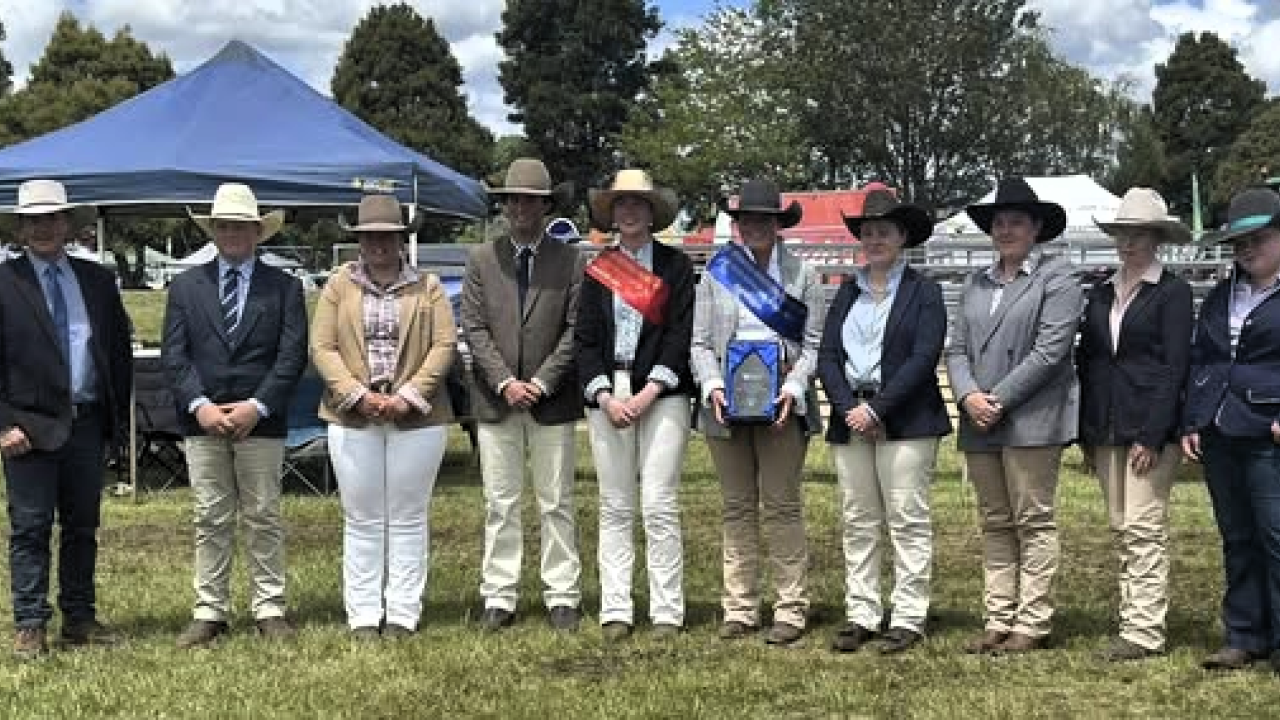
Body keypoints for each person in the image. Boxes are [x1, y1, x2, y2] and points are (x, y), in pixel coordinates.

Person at [161, 183, 308, 648]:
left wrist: (257, 405)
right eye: (223, 226)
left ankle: (269, 608)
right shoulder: (186, 286)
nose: (232, 234)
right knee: (210, 516)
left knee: (263, 513)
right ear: (214, 230)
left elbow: (292, 355)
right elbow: (174, 354)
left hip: (260, 422)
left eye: (241, 227)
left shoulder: (285, 288)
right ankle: (210, 610)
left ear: (257, 232)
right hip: (201, 422)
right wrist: (199, 406)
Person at [944, 177, 1082, 654]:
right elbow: (957, 349)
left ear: (1036, 228)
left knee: (1033, 520)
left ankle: (1033, 620)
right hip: (979, 417)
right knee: (995, 520)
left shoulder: (1058, 278)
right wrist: (967, 397)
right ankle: (998, 616)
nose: (1006, 230)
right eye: (999, 223)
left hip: (1031, 418)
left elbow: (1050, 352)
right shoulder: (975, 282)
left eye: (1016, 222)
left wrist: (995, 399)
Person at [310, 194, 456, 640]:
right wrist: (357, 395)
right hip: (353, 416)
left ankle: (402, 614)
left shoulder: (427, 286)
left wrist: (408, 395)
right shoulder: (338, 286)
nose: (378, 244)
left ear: (400, 239)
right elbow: (322, 347)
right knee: (362, 518)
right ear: (358, 239)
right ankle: (362, 614)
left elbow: (444, 346)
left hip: (418, 416)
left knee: (410, 516)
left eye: (386, 236)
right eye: (370, 236)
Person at [0, 179, 132, 660]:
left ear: (67, 225)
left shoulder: (97, 280)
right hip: (27, 430)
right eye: (33, 220)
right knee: (30, 528)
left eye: (51, 219)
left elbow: (117, 352)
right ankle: (30, 623)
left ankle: (79, 617)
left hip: (87, 423)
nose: (43, 228)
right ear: (20, 227)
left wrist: (116, 424)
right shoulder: (5, 282)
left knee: (82, 527)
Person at [691, 177, 825, 646]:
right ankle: (740, 607)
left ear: (778, 224)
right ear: (738, 223)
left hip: (783, 401)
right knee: (736, 507)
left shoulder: (802, 274)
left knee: (783, 506)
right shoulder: (716, 271)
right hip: (726, 404)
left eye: (764, 219)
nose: (755, 227)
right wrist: (711, 385)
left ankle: (790, 608)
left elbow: (813, 344)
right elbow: (700, 342)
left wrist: (793, 385)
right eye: (747, 219)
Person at [817, 189, 951, 654]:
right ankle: (862, 612)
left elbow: (922, 357)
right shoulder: (846, 291)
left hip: (907, 416)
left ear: (902, 237)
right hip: (850, 415)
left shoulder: (925, 292)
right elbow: (828, 355)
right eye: (868, 232)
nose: (875, 239)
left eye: (884, 232)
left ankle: (910, 615)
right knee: (858, 519)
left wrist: (877, 409)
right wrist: (848, 408)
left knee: (907, 517)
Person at [461, 158, 585, 632]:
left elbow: (575, 329)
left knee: (556, 500)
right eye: (512, 200)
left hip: (551, 400)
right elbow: (473, 326)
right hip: (495, 401)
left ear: (545, 205)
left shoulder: (571, 260)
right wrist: (504, 382)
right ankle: (499, 595)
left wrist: (541, 381)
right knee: (500, 501)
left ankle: (562, 595)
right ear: (504, 205)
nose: (519, 208)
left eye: (529, 201)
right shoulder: (481, 258)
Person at [575, 169, 695, 641]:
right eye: (620, 204)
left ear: (652, 212)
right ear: (611, 213)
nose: (629, 211)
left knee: (660, 502)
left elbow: (680, 335)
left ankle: (667, 609)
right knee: (615, 504)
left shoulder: (676, 268)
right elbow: (585, 338)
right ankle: (616, 608)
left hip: (661, 395)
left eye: (637, 203)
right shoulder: (597, 270)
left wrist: (649, 393)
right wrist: (605, 395)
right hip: (609, 395)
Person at [1076, 187, 1192, 662]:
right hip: (1106, 423)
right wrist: (1088, 431)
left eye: (1139, 235)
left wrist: (1152, 432)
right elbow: (1090, 361)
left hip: (1149, 426)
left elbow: (1175, 367)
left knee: (1144, 526)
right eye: (1123, 234)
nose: (1129, 243)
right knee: (1121, 525)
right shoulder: (1101, 291)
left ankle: (1145, 632)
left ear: (1157, 239)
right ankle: (1134, 617)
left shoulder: (1173, 292)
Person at [1181, 187, 1280, 672]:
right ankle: (1244, 634)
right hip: (1220, 430)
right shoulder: (1222, 294)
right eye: (1239, 243)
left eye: (1258, 239)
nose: (1247, 250)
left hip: (1270, 431)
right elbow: (1204, 358)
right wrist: (1194, 419)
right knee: (1237, 536)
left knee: (1276, 536)